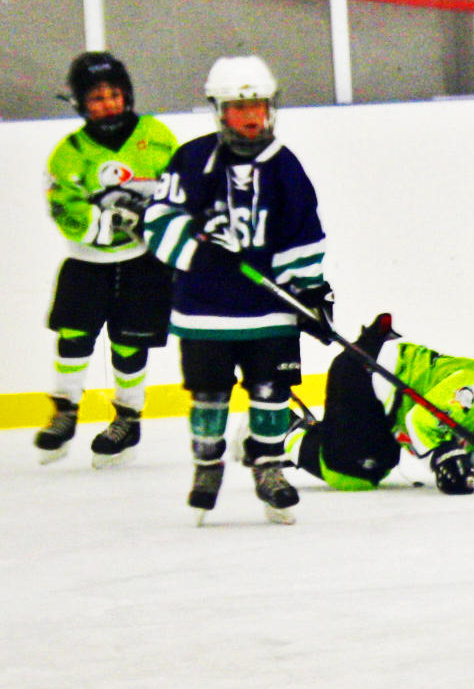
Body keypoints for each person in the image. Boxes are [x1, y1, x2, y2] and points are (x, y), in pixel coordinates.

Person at [143, 55, 335, 524]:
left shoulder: (283, 165)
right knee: (209, 393)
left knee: (272, 389)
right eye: (239, 107)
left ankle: (269, 467)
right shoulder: (193, 160)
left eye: (259, 106)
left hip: (269, 309)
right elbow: (159, 220)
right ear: (219, 111)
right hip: (204, 310)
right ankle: (207, 467)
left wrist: (311, 293)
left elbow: (303, 232)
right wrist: (199, 251)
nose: (251, 116)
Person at [36, 51, 181, 466]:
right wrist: (109, 223)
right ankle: (65, 410)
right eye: (97, 98)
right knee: (73, 335)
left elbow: (180, 189)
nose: (108, 104)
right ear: (81, 103)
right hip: (87, 264)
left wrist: (160, 223)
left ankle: (128, 417)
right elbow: (64, 208)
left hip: (143, 264)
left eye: (114, 95)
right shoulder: (69, 152)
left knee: (130, 343)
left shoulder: (156, 136)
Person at [289, 313, 474, 493]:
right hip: (363, 372)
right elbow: (421, 421)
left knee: (378, 460)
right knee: (352, 473)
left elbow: (467, 446)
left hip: (385, 399)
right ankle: (286, 431)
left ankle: (323, 434)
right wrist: (442, 459)